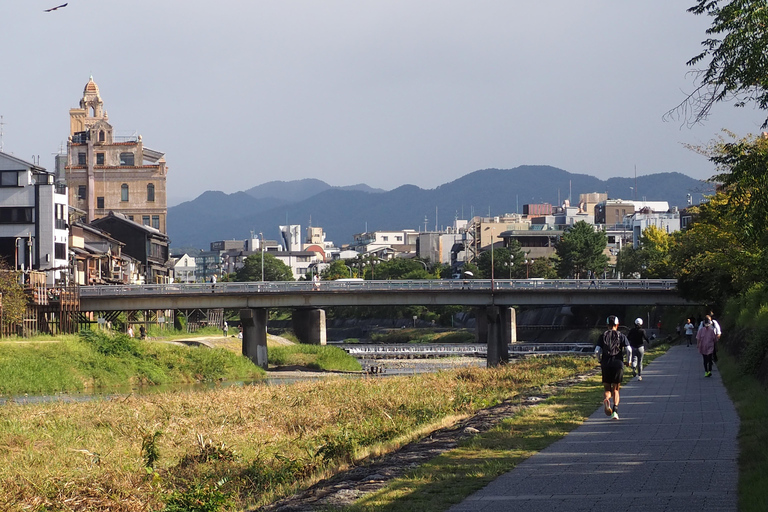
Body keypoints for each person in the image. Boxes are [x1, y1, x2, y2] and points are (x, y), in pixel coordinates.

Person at [595, 315, 631, 420]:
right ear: (617, 324)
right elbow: (629, 350)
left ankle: (607, 400)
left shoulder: (602, 336)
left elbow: (597, 351)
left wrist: (599, 360)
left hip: (606, 363)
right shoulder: (621, 335)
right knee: (616, 389)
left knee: (607, 388)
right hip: (618, 363)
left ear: (607, 325)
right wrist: (628, 361)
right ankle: (615, 411)